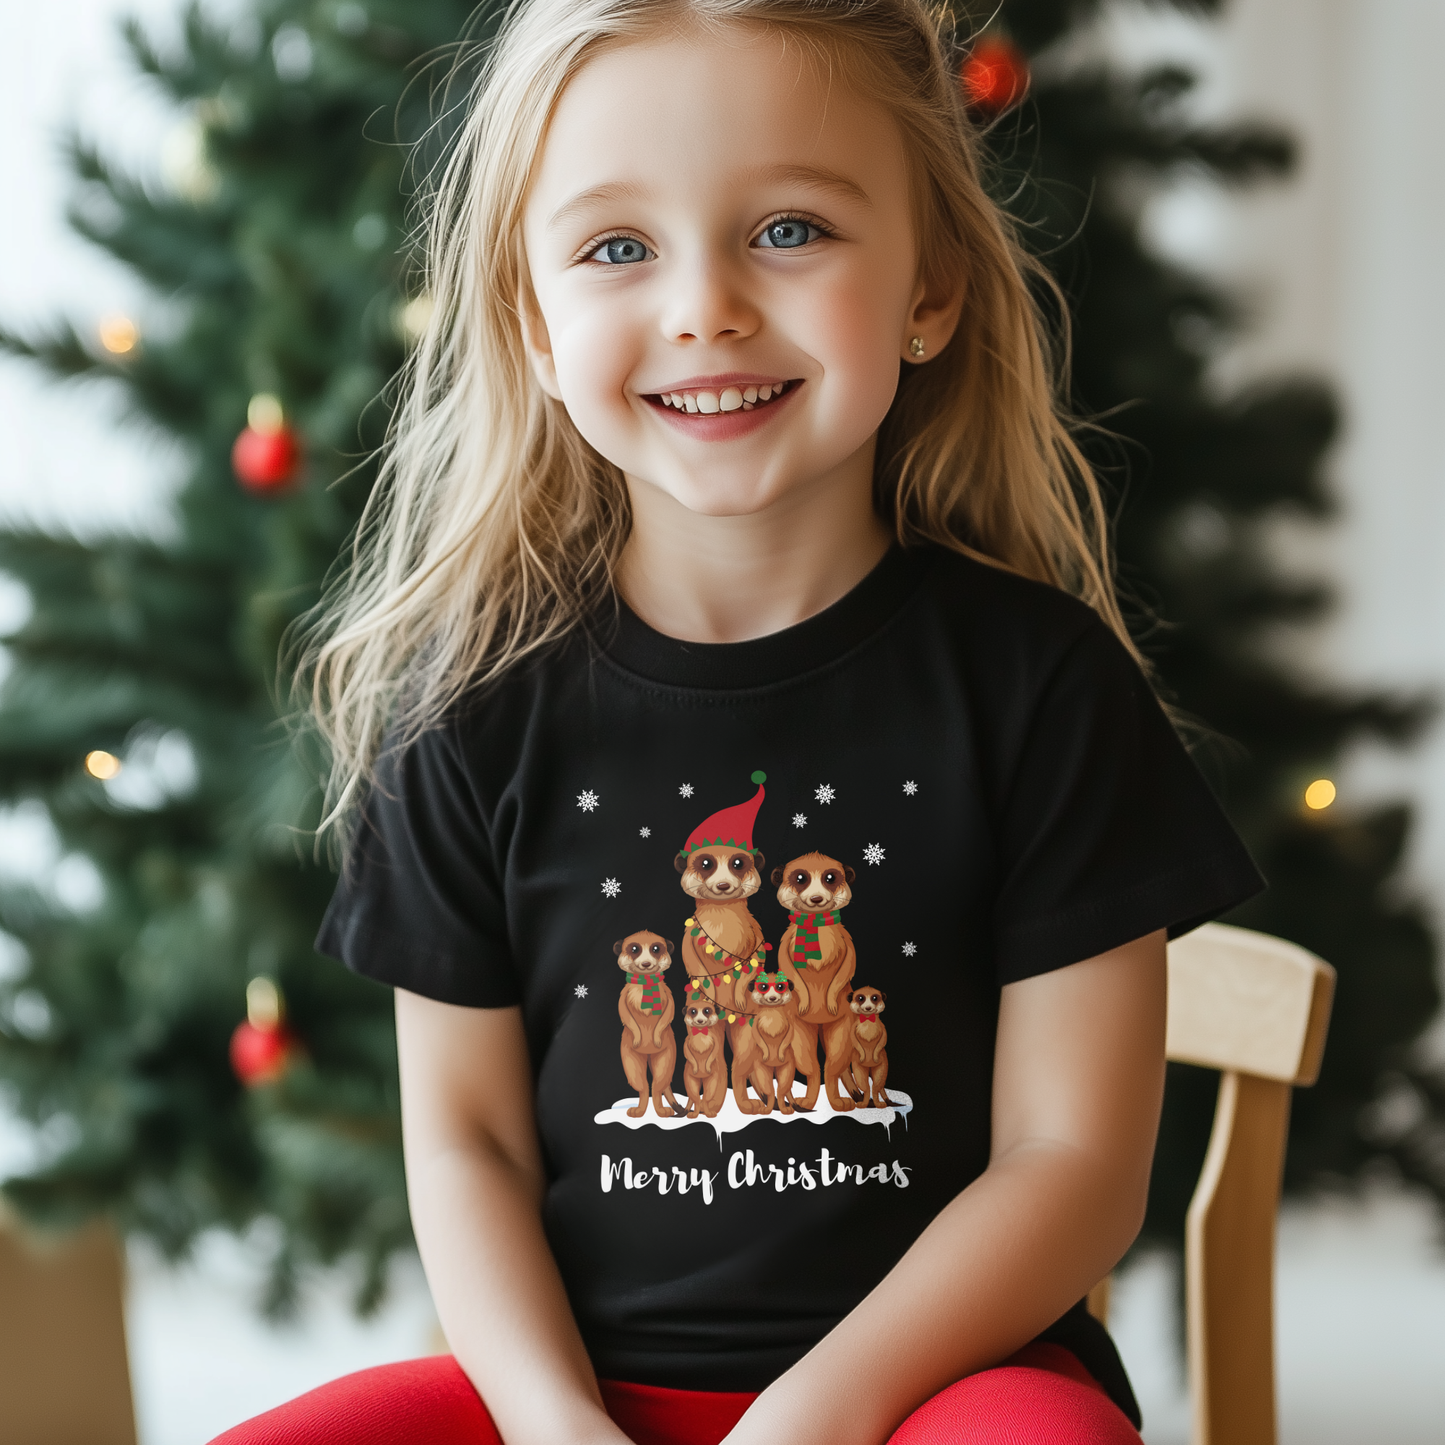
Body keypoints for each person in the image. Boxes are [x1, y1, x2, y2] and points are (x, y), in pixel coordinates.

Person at [215, 1, 1264, 1442]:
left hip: (933, 1394)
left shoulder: (1041, 689)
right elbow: (462, 1146)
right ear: (533, 325)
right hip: (572, 1396)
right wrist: (550, 1423)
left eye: (788, 231)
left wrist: (819, 1411)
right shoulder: (470, 709)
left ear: (931, 287)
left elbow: (1074, 1162)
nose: (703, 305)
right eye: (617, 248)